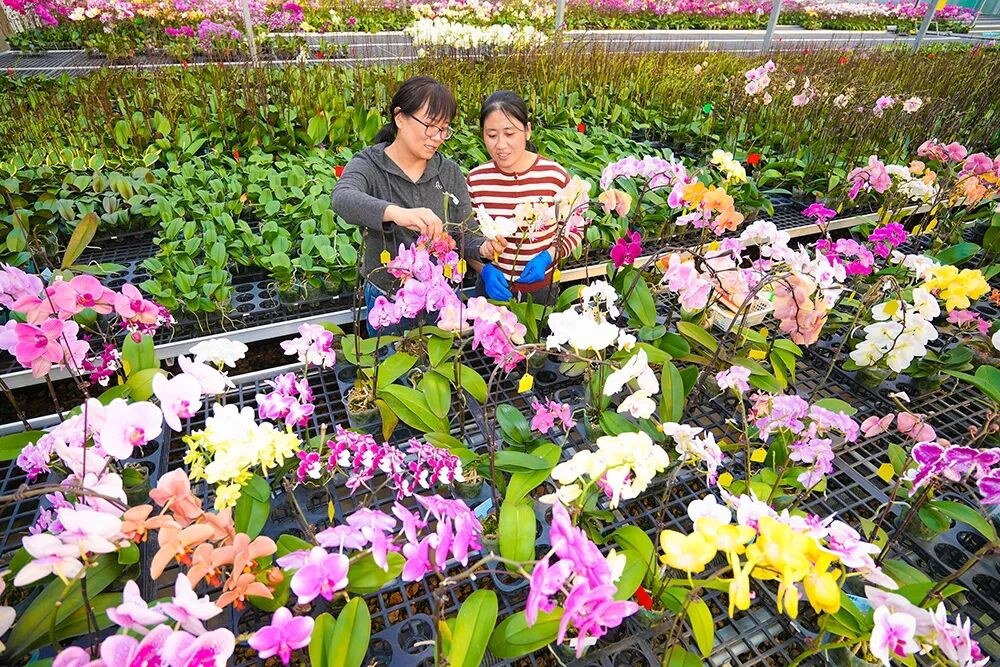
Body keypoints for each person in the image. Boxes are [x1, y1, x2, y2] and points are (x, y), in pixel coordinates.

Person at [331, 76, 499, 334]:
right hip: (388, 297)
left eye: (444, 129)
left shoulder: (448, 172)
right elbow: (342, 197)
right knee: (390, 358)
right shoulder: (370, 165)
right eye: (430, 126)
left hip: (439, 300)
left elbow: (465, 234)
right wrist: (396, 213)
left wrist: (485, 248)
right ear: (400, 117)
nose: (437, 137)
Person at [467, 91, 585, 305]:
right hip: (492, 291)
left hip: (540, 289)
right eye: (491, 135)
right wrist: (484, 269)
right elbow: (466, 238)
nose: (501, 145)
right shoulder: (476, 180)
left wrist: (549, 256)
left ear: (527, 130)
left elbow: (576, 228)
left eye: (509, 133)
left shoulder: (554, 176)